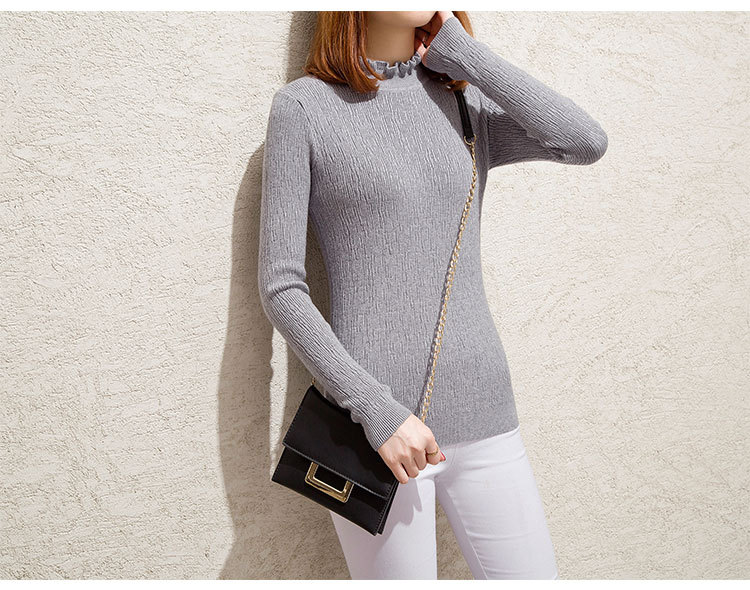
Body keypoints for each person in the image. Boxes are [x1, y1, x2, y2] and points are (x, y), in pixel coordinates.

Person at [258, 10, 607, 580]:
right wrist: (376, 411)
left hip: (486, 409)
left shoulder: (464, 106)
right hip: (375, 433)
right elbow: (281, 287)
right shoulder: (304, 108)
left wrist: (463, 52)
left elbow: (584, 142)